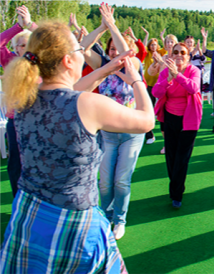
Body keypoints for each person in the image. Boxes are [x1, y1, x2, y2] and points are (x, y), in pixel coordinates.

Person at [0, 20, 154, 273]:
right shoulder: (87, 104)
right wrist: (136, 79)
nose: (82, 56)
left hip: (29, 217)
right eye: (78, 51)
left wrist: (108, 69)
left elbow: (65, 91)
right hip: (73, 223)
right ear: (68, 61)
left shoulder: (25, 97)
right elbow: (146, 120)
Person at [83, 3, 146, 240]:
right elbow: (81, 49)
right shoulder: (104, 67)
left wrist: (113, 27)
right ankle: (105, 218)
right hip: (107, 133)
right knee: (105, 183)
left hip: (131, 133)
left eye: (115, 48)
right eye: (109, 49)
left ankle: (120, 220)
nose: (112, 52)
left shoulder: (134, 66)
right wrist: (101, 28)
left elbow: (125, 53)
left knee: (121, 181)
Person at [152, 42, 202, 208]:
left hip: (189, 119)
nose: (179, 55)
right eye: (176, 52)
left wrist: (178, 75)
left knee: (182, 158)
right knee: (171, 157)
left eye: (183, 52)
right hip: (169, 118)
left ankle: (176, 193)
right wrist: (168, 78)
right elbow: (156, 92)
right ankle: (176, 186)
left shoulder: (194, 70)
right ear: (171, 56)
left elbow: (194, 88)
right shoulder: (165, 72)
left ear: (188, 57)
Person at [0, 5, 37, 198]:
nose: (20, 48)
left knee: (37, 161)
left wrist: (29, 25)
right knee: (15, 163)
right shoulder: (10, 61)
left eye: (24, 44)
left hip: (39, 119)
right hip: (16, 120)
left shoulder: (40, 62)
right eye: (17, 45)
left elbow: (50, 41)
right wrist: (17, 27)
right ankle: (18, 200)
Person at [148, 32, 178, 154]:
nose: (170, 44)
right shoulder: (162, 58)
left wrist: (161, 63)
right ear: (164, 45)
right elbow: (151, 73)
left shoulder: (180, 58)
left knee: (175, 121)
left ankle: (175, 143)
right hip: (162, 93)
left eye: (172, 42)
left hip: (175, 93)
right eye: (167, 42)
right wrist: (156, 63)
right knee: (163, 121)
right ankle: (167, 144)